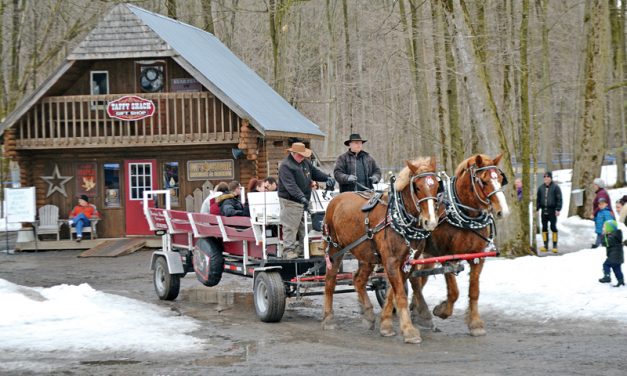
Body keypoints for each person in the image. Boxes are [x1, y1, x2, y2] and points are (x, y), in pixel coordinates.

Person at [278, 142, 334, 259]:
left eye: (303, 155)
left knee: (305, 227)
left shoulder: (305, 163)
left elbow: (315, 173)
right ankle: (288, 251)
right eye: (300, 155)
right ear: (293, 153)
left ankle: (303, 249)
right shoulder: (286, 166)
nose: (302, 157)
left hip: (303, 199)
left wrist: (327, 177)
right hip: (291, 201)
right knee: (291, 226)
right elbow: (291, 186)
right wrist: (301, 197)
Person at [536, 171, 562, 253]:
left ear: (551, 178)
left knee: (553, 227)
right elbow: (538, 200)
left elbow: (559, 199)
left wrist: (558, 209)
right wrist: (537, 208)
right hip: (544, 210)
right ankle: (545, 246)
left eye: (548, 177)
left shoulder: (556, 187)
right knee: (544, 227)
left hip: (552, 210)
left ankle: (554, 246)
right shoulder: (540, 188)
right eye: (545, 177)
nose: (546, 178)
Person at [597, 219, 624, 287]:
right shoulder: (616, 234)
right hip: (618, 257)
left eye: (605, 227)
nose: (604, 229)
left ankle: (607, 277)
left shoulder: (613, 236)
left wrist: (603, 235)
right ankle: (621, 281)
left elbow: (605, 243)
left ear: (609, 228)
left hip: (613, 256)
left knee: (606, 265)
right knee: (617, 269)